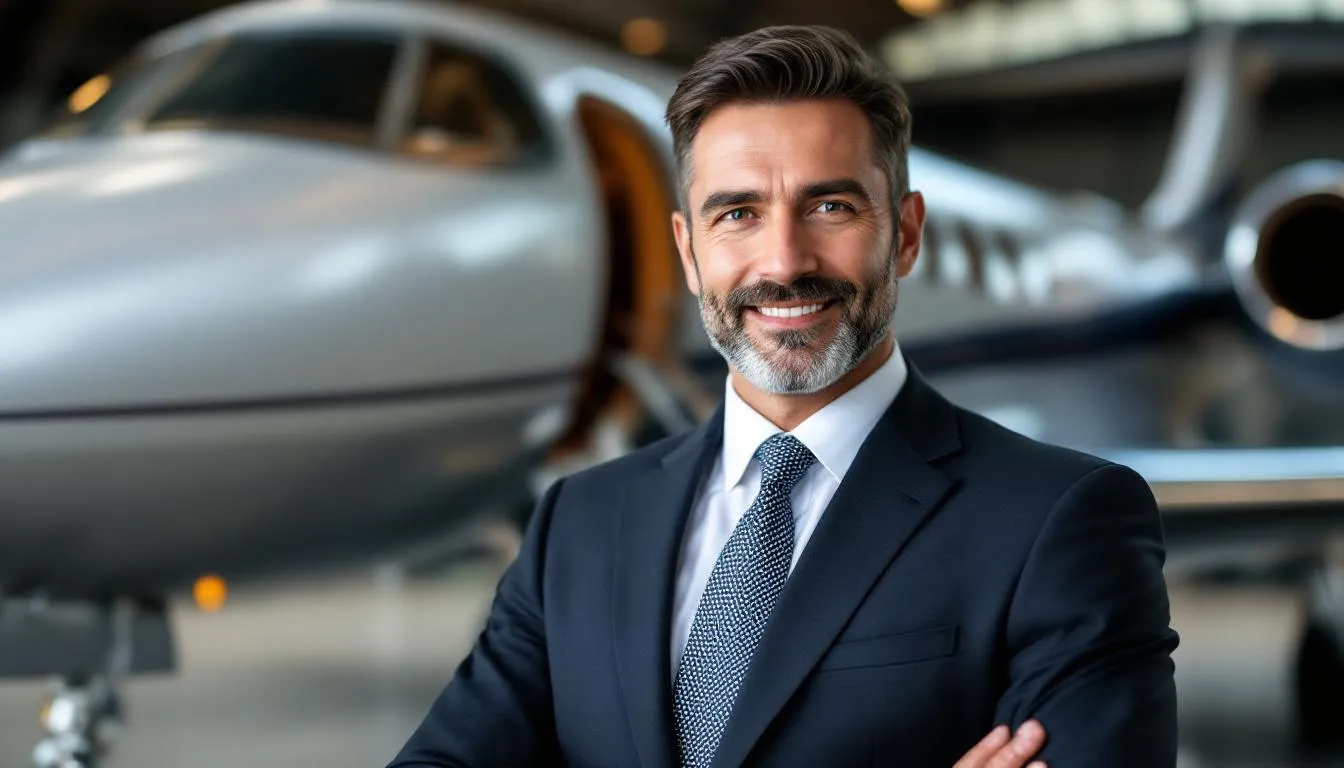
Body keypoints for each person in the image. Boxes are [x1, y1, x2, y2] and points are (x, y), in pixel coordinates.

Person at [388, 24, 1179, 768]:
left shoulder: (1062, 520)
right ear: (688, 253)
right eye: (738, 213)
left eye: (830, 206)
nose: (783, 260)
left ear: (903, 234)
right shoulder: (582, 522)